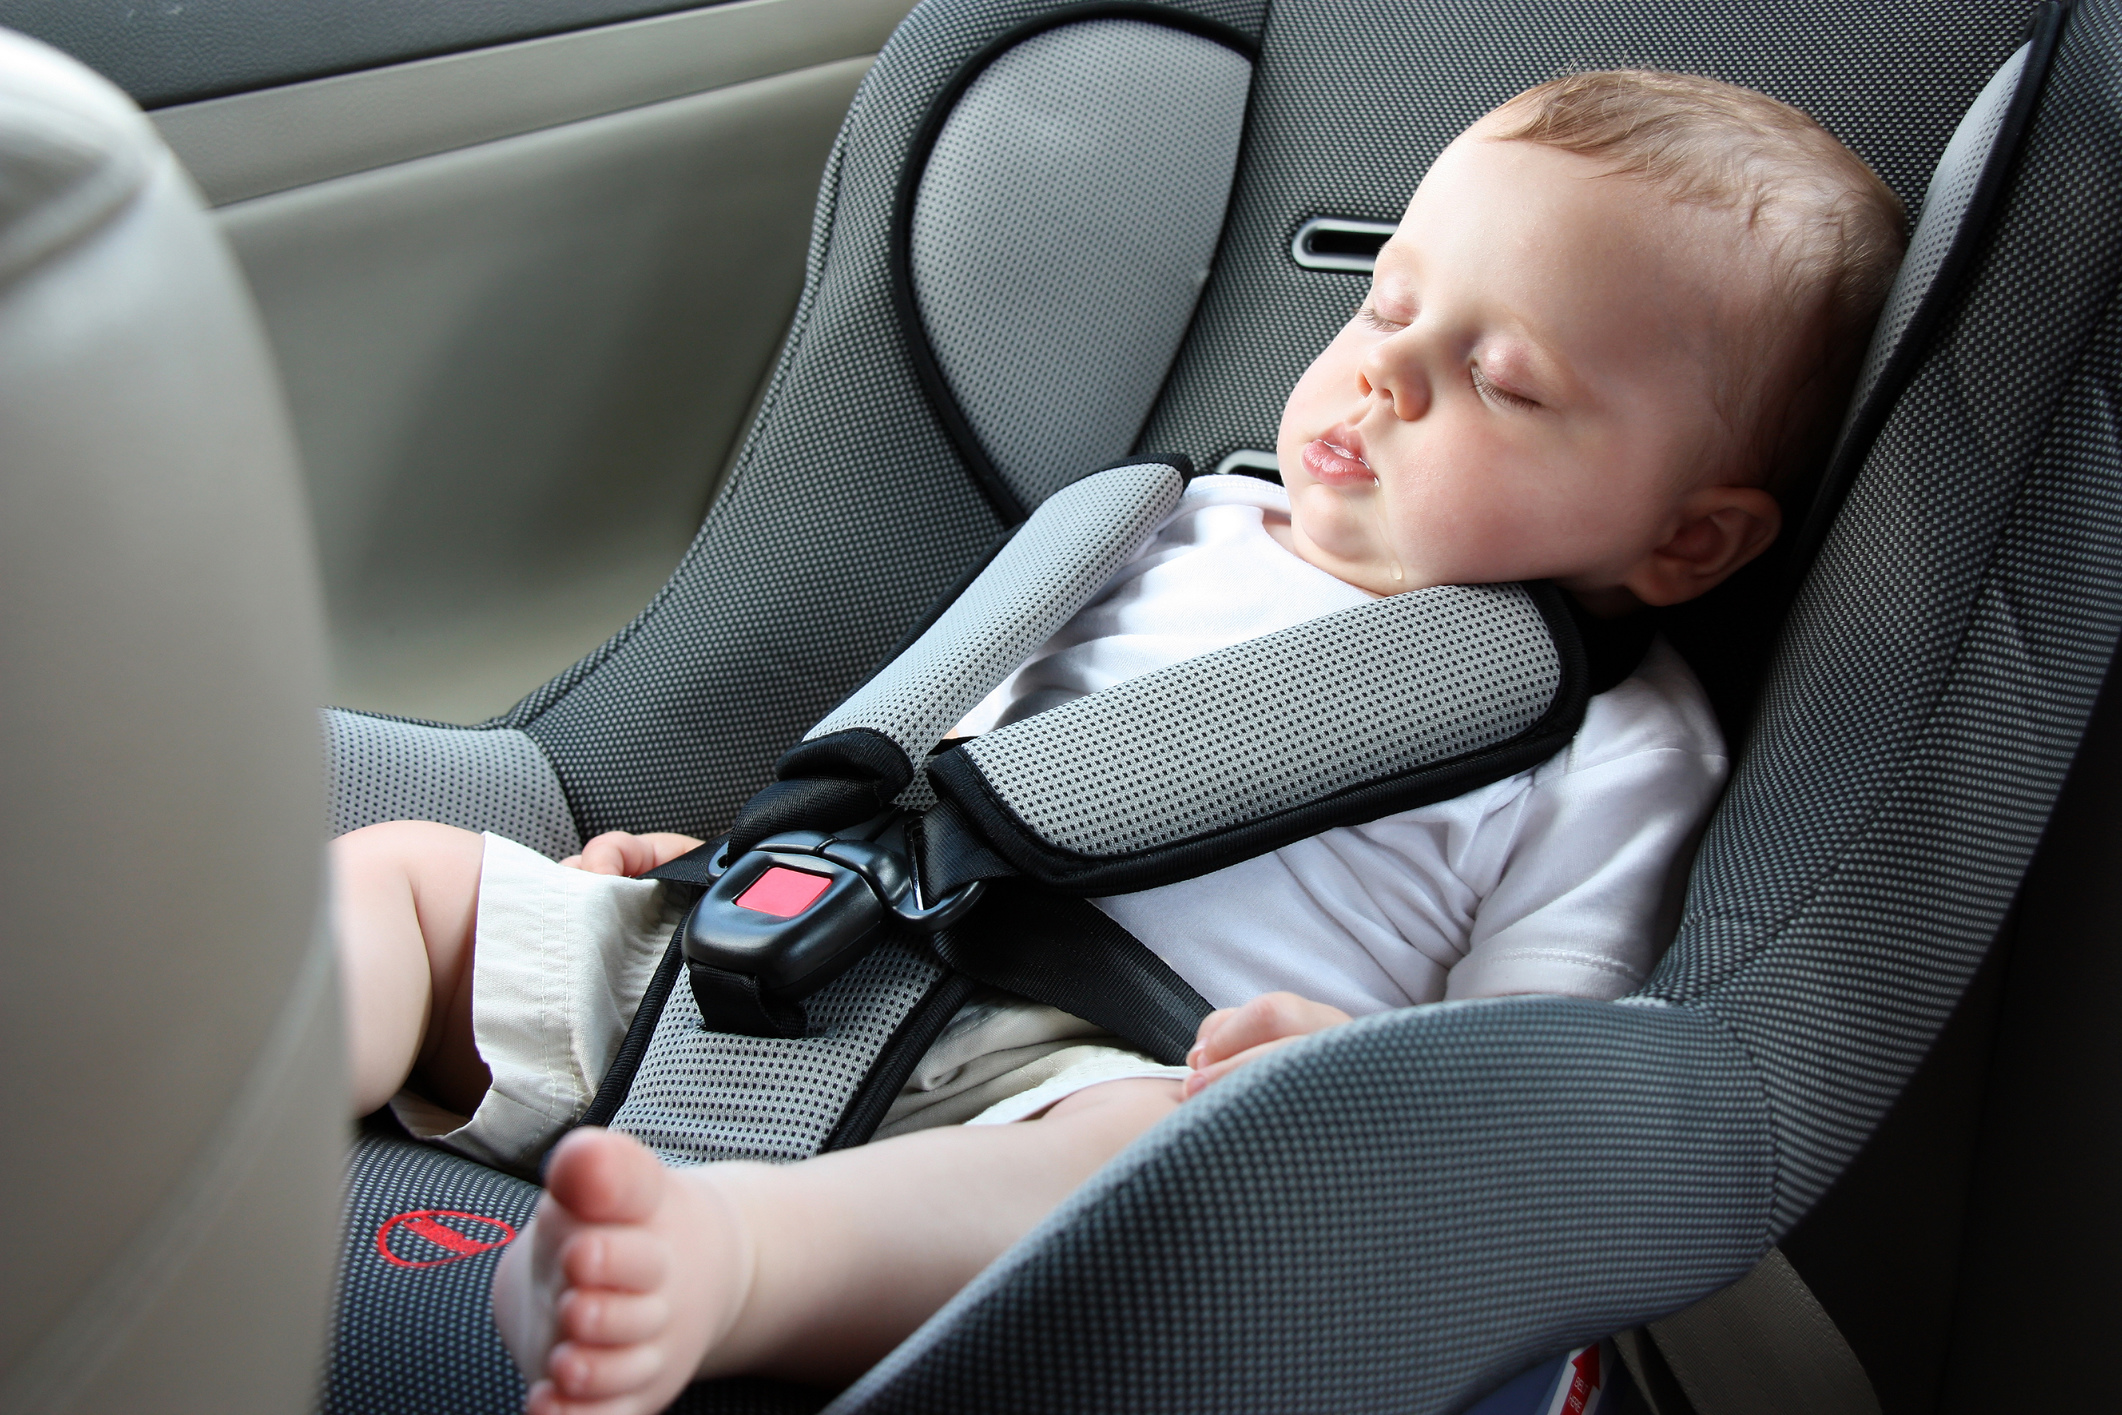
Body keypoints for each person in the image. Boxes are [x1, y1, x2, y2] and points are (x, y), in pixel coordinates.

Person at [329, 70, 1906, 1415]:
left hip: (1091, 1077)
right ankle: (218, 1116)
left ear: (1688, 542)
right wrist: (739, 864)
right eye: (1386, 300)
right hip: (799, 965)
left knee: (1141, 1160)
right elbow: (944, 756)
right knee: (405, 874)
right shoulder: (1156, 526)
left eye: (1498, 382)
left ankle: (727, 1263)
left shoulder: (1611, 750)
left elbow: (1528, 1076)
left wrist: (1342, 1077)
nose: (1381, 374)